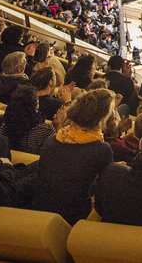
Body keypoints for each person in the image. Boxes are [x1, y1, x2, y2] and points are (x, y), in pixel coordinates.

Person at [32, 88, 116, 224]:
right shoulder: (101, 149)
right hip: (72, 218)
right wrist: (116, 171)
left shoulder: (55, 138)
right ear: (102, 118)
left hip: (40, 209)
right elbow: (106, 189)